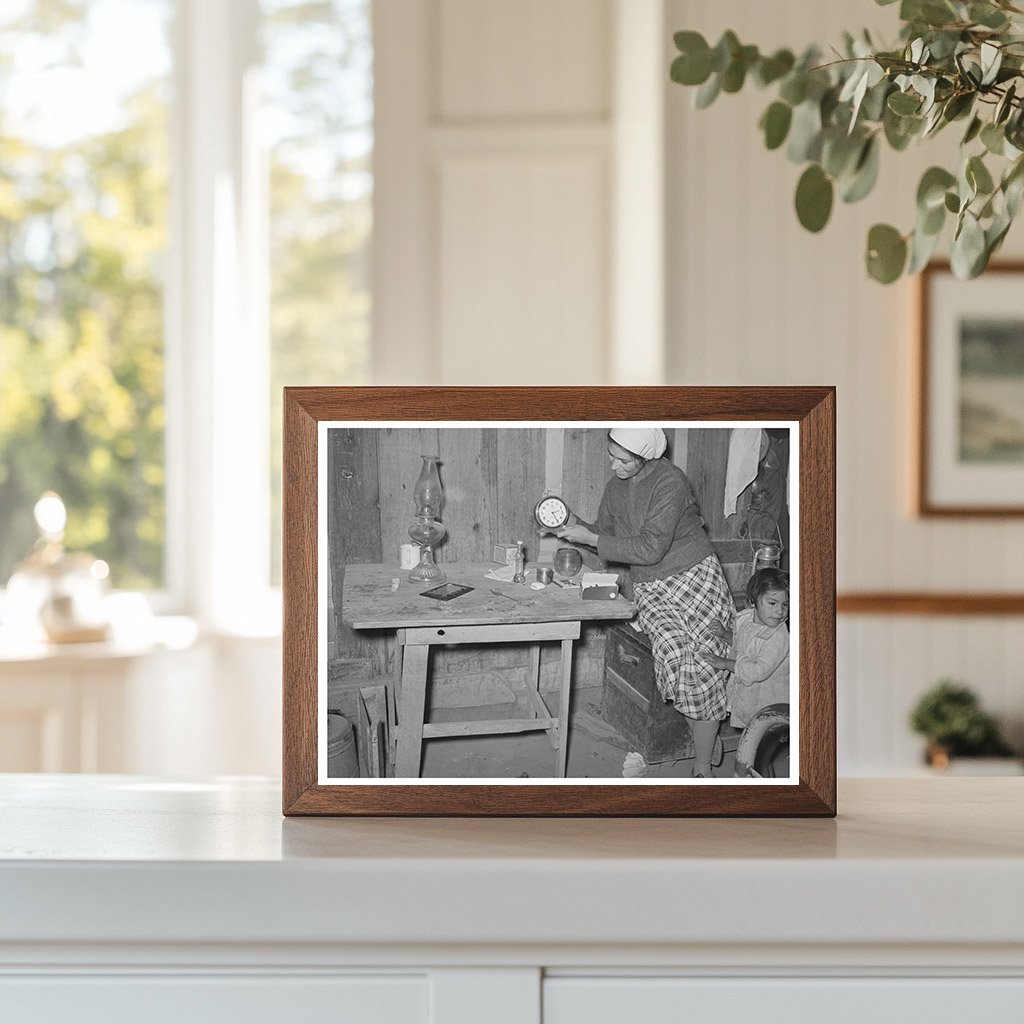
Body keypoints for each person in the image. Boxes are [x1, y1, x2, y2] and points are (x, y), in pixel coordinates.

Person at [553, 426, 734, 778]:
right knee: (677, 659)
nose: (614, 466)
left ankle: (701, 766)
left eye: (623, 460)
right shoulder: (615, 488)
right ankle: (707, 735)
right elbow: (603, 535)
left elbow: (649, 548)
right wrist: (569, 522)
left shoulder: (671, 482)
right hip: (652, 586)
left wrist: (590, 536)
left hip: (695, 575)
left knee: (707, 661)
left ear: (646, 456)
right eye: (611, 456)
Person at [707, 568, 790, 730]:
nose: (780, 611)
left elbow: (756, 672)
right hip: (750, 698)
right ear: (753, 601)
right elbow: (744, 644)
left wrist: (725, 663)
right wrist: (725, 635)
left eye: (785, 604)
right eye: (772, 603)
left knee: (761, 739)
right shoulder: (746, 619)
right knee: (750, 734)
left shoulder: (779, 637)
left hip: (769, 704)